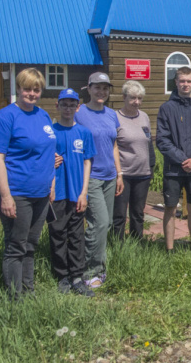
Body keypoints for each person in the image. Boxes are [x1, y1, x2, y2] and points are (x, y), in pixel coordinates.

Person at [0, 68, 56, 300]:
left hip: (41, 193)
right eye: (27, 89)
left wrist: (51, 184)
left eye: (36, 89)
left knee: (31, 244)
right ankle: (15, 298)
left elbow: (49, 152)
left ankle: (29, 291)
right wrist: (6, 196)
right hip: (17, 193)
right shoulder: (6, 117)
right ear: (18, 88)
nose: (32, 93)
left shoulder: (43, 115)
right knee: (16, 245)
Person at [74, 72, 124, 289]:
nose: (101, 92)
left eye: (105, 88)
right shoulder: (79, 113)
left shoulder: (111, 114)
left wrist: (119, 173)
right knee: (99, 222)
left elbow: (114, 145)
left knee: (106, 223)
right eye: (97, 88)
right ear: (89, 88)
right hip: (90, 176)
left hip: (110, 175)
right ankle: (88, 271)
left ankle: (99, 268)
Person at [156, 67, 191, 253]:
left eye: (189, 81)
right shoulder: (166, 108)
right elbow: (162, 140)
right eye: (182, 81)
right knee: (170, 208)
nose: (185, 84)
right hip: (174, 169)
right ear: (176, 82)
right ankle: (170, 249)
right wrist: (183, 159)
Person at [49, 88, 96, 297]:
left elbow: (87, 163)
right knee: (58, 234)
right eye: (64, 104)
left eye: (72, 104)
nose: (68, 108)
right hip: (57, 192)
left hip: (77, 193)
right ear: (57, 106)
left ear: (78, 107)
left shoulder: (84, 133)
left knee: (76, 236)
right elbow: (44, 160)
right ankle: (62, 277)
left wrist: (84, 192)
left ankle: (77, 276)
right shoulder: (50, 132)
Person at [112, 80, 156, 240]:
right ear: (124, 97)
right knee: (119, 214)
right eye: (133, 98)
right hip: (124, 174)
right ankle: (117, 245)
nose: (137, 102)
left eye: (140, 98)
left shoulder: (144, 116)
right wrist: (118, 173)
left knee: (138, 213)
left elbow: (148, 142)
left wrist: (151, 166)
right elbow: (112, 146)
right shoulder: (115, 117)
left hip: (142, 174)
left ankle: (137, 245)